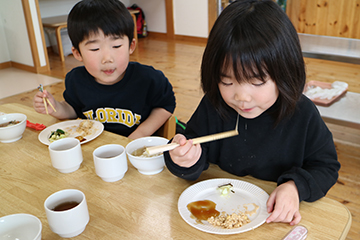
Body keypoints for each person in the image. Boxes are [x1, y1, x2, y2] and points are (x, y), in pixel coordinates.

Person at [164, 0, 340, 226]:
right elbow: (194, 150)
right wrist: (185, 158)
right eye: (226, 81)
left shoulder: (302, 114)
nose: (241, 97)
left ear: (285, 71)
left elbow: (326, 167)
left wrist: (295, 187)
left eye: (257, 81)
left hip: (275, 220)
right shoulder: (214, 105)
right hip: (220, 213)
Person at [33, 0, 176, 139]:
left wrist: (139, 135)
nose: (107, 58)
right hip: (95, 150)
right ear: (77, 53)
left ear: (131, 46)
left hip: (137, 149)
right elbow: (72, 110)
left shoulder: (148, 78)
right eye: (94, 48)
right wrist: (54, 108)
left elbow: (166, 105)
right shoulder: (76, 80)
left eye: (116, 46)